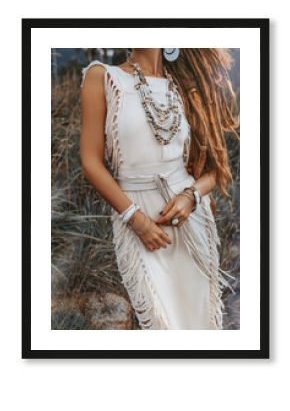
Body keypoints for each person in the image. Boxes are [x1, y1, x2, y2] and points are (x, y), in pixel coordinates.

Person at [79, 48, 240, 330]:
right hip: (137, 216)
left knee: (200, 322)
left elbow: (216, 170)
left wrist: (191, 197)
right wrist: (135, 219)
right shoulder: (102, 76)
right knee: (161, 325)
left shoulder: (185, 85)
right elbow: (90, 162)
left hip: (191, 218)